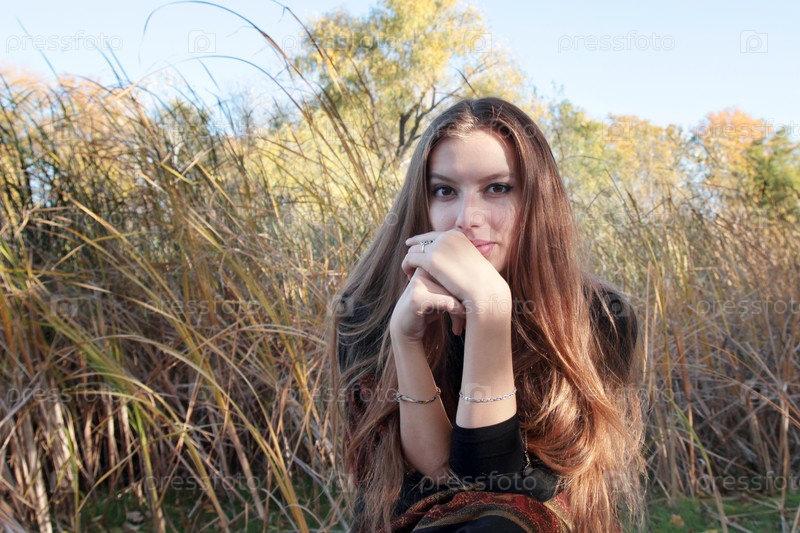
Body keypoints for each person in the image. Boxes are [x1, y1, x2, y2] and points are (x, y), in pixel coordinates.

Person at [330, 97, 643, 533]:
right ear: (421, 202)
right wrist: (406, 341)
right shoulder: (368, 311)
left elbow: (499, 489)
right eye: (445, 191)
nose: (467, 218)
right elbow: (428, 483)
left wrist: (489, 310)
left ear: (536, 200)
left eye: (497, 188)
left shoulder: (599, 315)